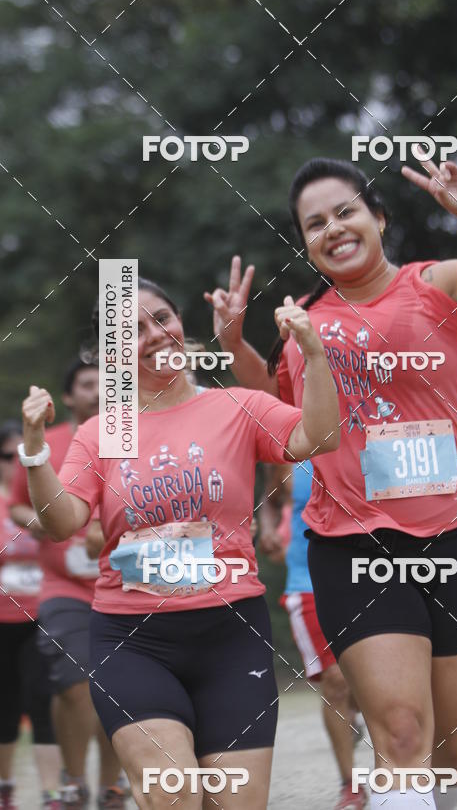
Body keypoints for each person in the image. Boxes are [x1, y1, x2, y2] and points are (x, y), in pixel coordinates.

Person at [204, 154, 457, 809]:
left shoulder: (439, 284)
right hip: (351, 545)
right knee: (401, 733)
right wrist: (236, 344)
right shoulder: (303, 326)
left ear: (378, 216)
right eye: (314, 223)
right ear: (306, 243)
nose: (333, 228)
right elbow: (284, 427)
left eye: (346, 211)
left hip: (453, 537)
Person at [20, 277, 340, 810]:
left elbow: (320, 436)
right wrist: (34, 453)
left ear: (181, 323)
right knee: (175, 797)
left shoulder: (236, 407)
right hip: (134, 640)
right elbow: (61, 521)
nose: (152, 335)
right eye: (132, 330)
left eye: (161, 318)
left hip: (231, 632)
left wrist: (313, 351)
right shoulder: (103, 432)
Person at [10, 360, 124, 809]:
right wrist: (38, 522)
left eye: (104, 384)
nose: (96, 391)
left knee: (117, 687)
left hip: (124, 583)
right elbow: (18, 505)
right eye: (85, 384)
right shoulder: (46, 443)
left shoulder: (133, 438)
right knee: (76, 684)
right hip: (63, 587)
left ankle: (112, 785)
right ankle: (74, 781)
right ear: (69, 396)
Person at [259, 461, 367, 809]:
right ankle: (351, 785)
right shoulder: (293, 452)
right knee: (336, 680)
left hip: (366, 576)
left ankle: (364, 717)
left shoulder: (367, 434)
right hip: (307, 583)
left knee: (368, 681)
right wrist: (268, 528)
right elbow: (272, 497)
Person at [0, 420, 62, 810]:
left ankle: (53, 794)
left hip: (42, 614)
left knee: (43, 700)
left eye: (22, 457)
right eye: (8, 456)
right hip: (1, 621)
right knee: (5, 706)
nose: (15, 464)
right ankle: (5, 789)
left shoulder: (45, 500)